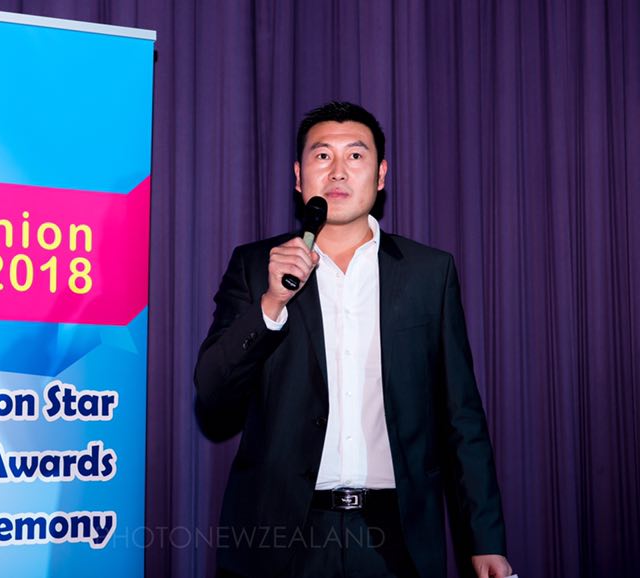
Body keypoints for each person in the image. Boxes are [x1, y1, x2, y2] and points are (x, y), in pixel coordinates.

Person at [194, 101, 512, 578]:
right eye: (322, 156)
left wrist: (485, 539)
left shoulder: (429, 273)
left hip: (395, 538)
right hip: (281, 540)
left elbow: (461, 416)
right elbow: (213, 392)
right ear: (299, 177)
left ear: (381, 175)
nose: (338, 171)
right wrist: (271, 304)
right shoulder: (256, 265)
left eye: (356, 156)